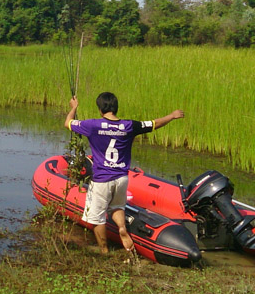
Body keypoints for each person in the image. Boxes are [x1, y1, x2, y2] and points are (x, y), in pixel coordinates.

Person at [64, 92, 184, 254]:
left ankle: (104, 251)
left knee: (97, 218)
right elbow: (154, 124)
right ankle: (122, 228)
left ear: (100, 109)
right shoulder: (129, 126)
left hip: (101, 180)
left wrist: (74, 107)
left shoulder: (92, 125)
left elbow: (68, 123)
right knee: (117, 207)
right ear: (116, 108)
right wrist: (171, 116)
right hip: (121, 178)